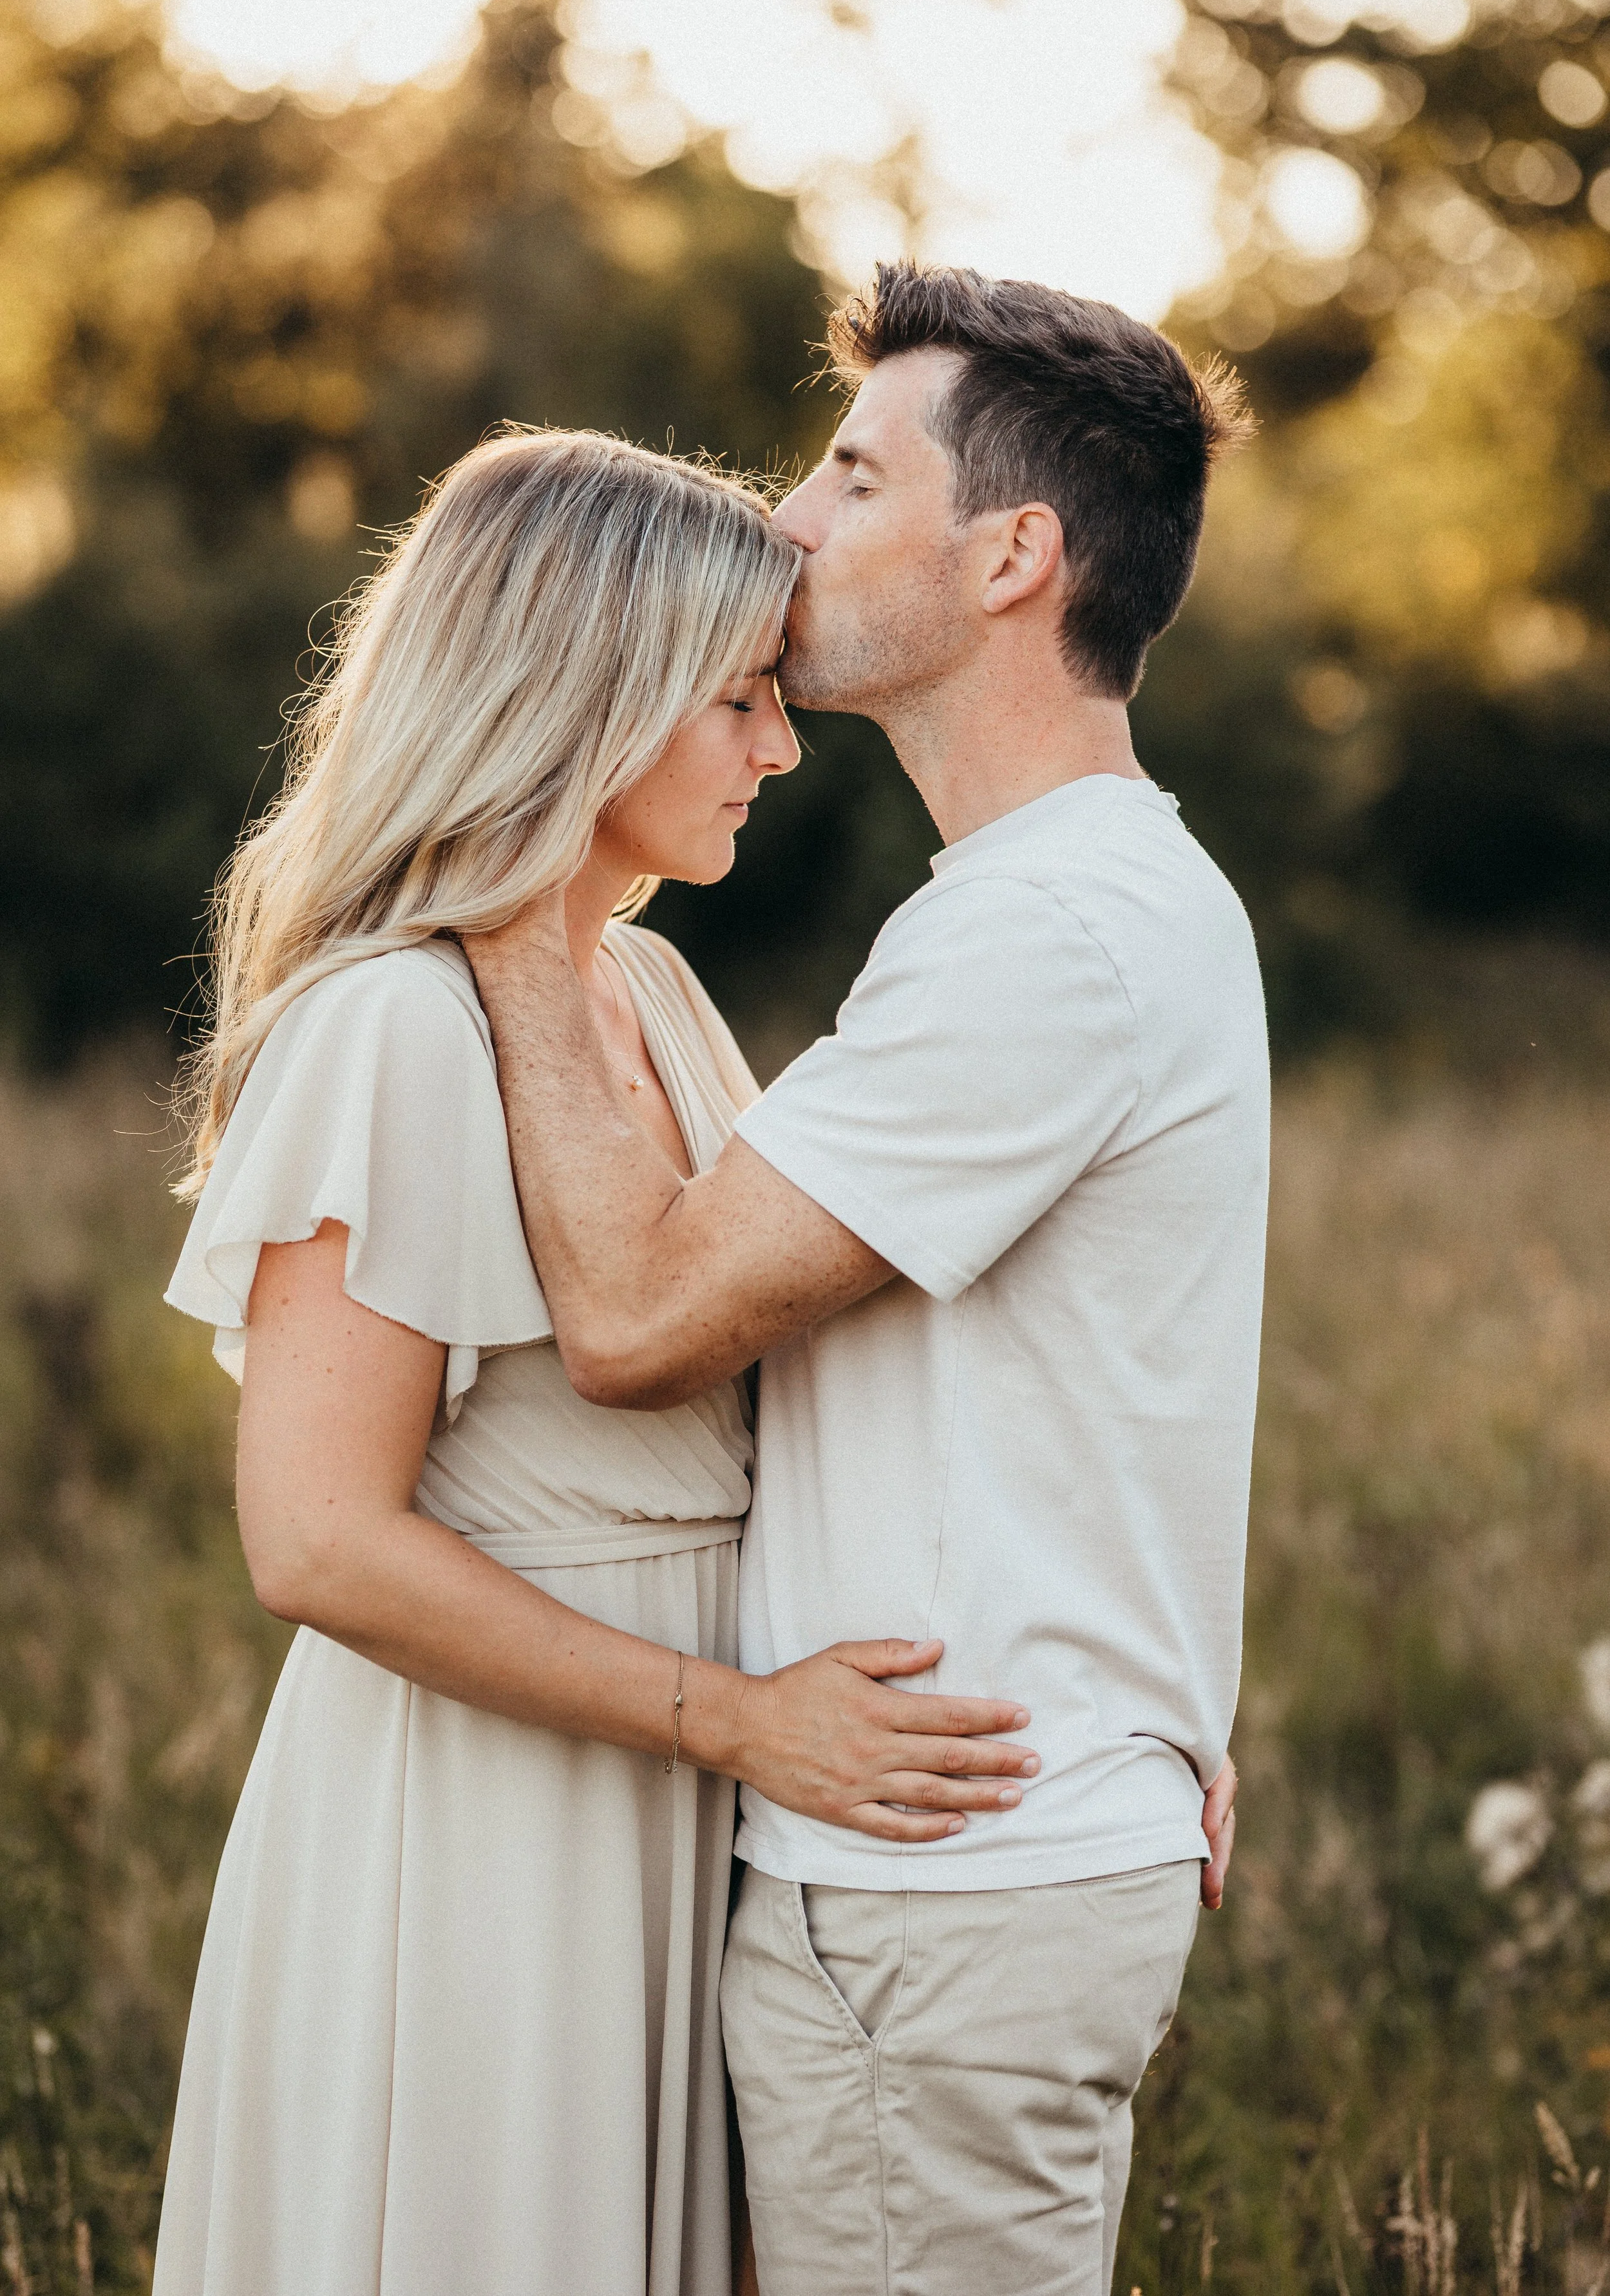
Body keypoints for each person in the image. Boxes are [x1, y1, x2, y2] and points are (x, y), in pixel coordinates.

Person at [153, 427, 1041, 2296]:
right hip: (482, 1831)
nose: (779, 750)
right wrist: (738, 1720)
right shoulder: (388, 1028)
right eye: (734, 700)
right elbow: (314, 1541)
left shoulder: (645, 989)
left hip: (677, 1801)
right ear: (583, 698)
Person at [462, 264, 1268, 2296]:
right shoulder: (1074, 899)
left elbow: (639, 1322)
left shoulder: (1045, 935)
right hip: (980, 1861)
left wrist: (511, 907)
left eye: (846, 475)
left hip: (940, 1878)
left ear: (1011, 554)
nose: (786, 522)